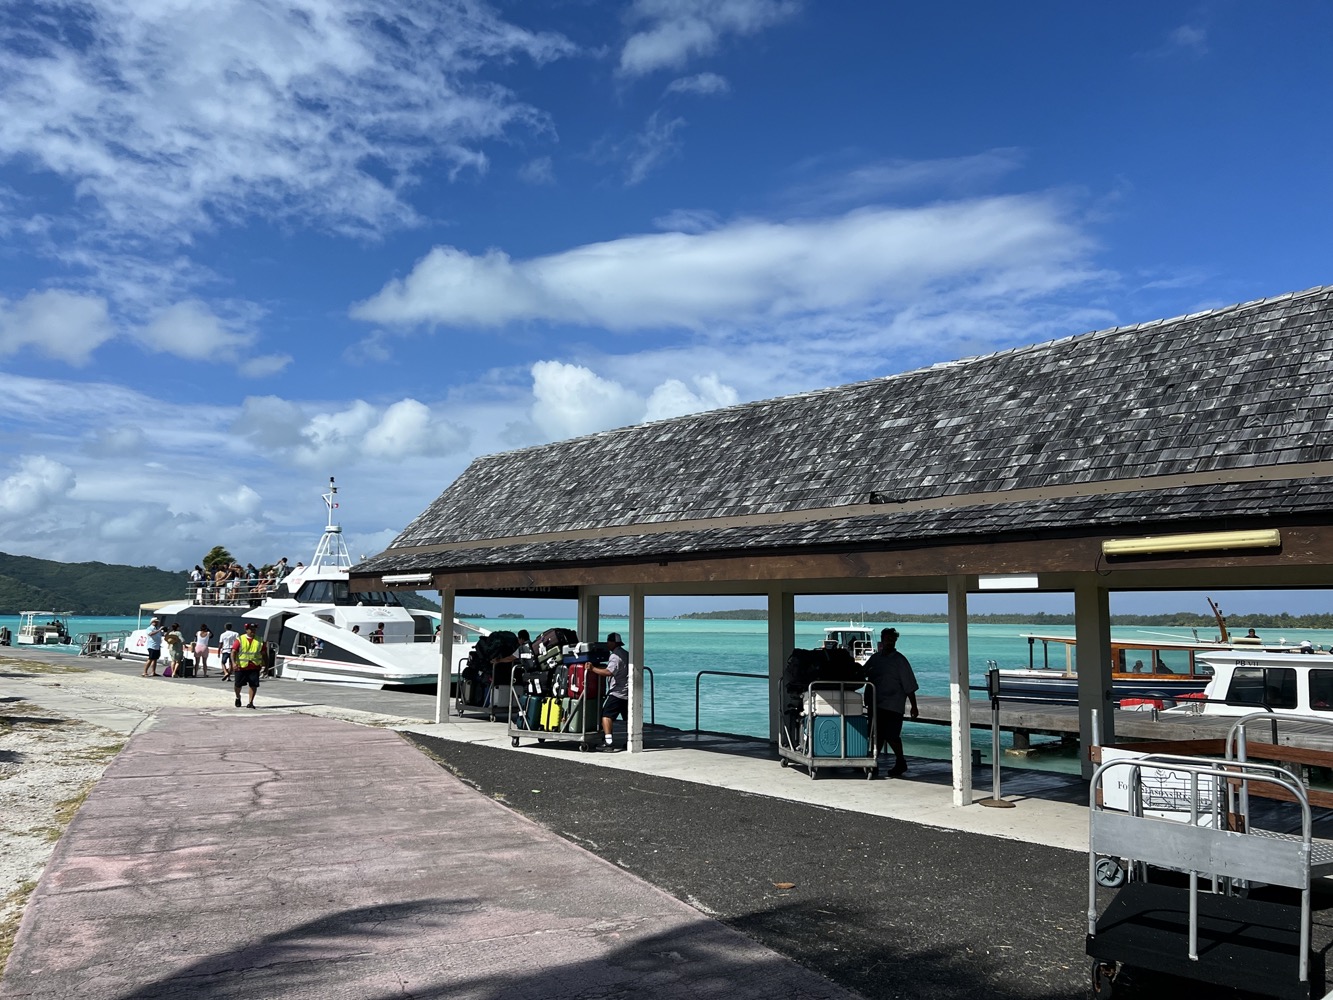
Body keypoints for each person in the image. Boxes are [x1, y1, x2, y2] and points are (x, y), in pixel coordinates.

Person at [863, 627, 919, 777]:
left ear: (895, 641)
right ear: (882, 639)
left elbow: (909, 685)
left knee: (892, 735)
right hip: (876, 703)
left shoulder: (900, 660)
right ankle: (873, 762)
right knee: (875, 735)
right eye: (886, 638)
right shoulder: (875, 658)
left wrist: (914, 706)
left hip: (893, 704)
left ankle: (900, 761)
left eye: (891, 639)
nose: (888, 642)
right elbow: (862, 673)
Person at [590, 632, 629, 752]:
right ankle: (631, 740)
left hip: (617, 692)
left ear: (613, 643)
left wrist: (592, 669)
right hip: (628, 691)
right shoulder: (626, 654)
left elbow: (609, 672)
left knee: (606, 716)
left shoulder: (615, 656)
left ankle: (608, 742)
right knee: (628, 718)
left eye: (608, 641)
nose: (607, 644)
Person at [233, 622, 265, 709]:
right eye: (251, 629)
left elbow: (264, 653)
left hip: (254, 666)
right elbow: (233, 652)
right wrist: (233, 663)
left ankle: (251, 702)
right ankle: (237, 696)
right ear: (247, 630)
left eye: (254, 629)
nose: (253, 631)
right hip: (241, 666)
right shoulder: (240, 639)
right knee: (238, 685)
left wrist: (266, 665)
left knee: (253, 685)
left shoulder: (260, 640)